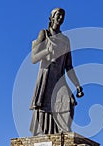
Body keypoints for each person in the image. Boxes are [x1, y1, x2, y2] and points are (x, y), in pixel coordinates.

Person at [30, 8, 84, 136]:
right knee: (44, 106)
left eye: (62, 16)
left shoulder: (65, 40)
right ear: (52, 17)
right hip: (46, 76)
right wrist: (46, 51)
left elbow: (69, 66)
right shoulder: (44, 34)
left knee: (69, 102)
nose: (60, 18)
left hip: (59, 78)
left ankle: (63, 135)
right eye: (58, 15)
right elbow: (33, 58)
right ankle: (45, 135)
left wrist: (77, 85)